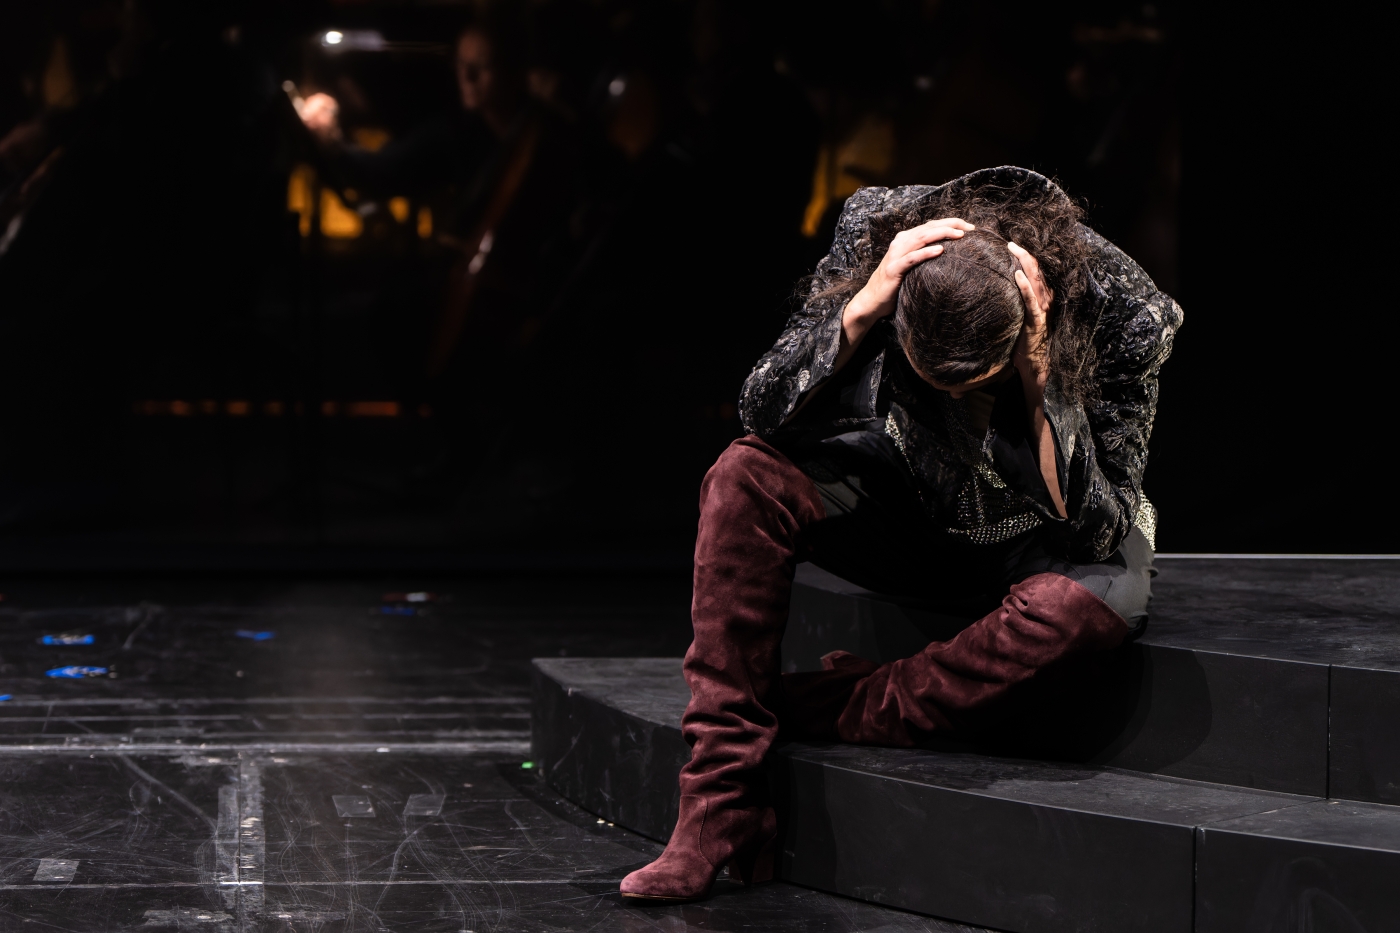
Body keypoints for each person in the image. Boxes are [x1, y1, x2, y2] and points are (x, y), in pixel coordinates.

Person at [619, 165, 1183, 903]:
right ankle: (720, 805)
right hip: (909, 498)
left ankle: (837, 702)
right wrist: (859, 310)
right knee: (743, 474)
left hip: (1037, 532)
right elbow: (761, 407)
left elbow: (1099, 525)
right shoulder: (878, 232)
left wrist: (1041, 377)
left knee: (1096, 601)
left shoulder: (1125, 308)